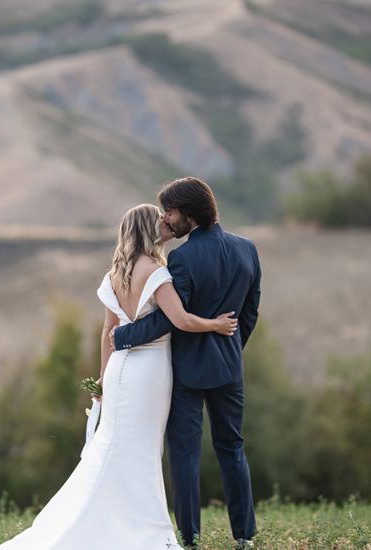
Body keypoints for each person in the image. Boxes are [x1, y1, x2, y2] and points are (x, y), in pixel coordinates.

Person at [0, 202, 237, 550]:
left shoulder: (115, 274)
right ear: (149, 229)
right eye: (161, 220)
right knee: (142, 448)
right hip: (150, 370)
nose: (167, 223)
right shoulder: (156, 272)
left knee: (118, 443)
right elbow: (181, 320)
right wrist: (216, 324)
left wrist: (103, 382)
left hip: (122, 369)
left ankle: (116, 519)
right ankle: (140, 527)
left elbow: (108, 333)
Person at [111, 177, 261, 549]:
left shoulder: (183, 258)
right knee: (232, 449)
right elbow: (250, 311)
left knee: (185, 454)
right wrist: (230, 347)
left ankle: (190, 538)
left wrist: (122, 336)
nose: (167, 218)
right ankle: (244, 537)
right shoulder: (247, 248)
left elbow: (169, 317)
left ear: (189, 215)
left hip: (187, 370)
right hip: (229, 367)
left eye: (171, 212)